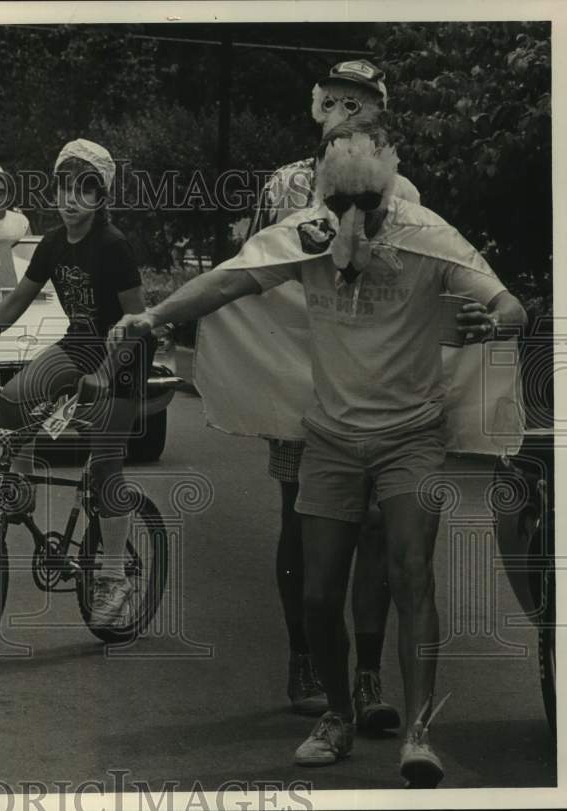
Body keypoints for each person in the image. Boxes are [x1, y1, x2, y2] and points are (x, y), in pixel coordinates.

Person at [114, 126, 526, 787]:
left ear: (388, 193)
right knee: (316, 592)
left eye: (368, 203)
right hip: (331, 436)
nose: (354, 218)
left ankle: (418, 732)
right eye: (341, 204)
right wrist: (153, 316)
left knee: (412, 572)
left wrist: (496, 320)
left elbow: (506, 302)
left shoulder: (426, 232)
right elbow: (227, 281)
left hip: (412, 435)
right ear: (324, 197)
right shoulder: (306, 234)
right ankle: (337, 713)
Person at [246, 59, 421, 726]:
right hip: (299, 376)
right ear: (317, 105)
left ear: (381, 111)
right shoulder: (286, 184)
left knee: (376, 523)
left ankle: (371, 677)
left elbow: (419, 272)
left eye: (363, 101)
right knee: (301, 519)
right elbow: (255, 269)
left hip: (376, 379)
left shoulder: (401, 188)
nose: (348, 111)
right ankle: (307, 659)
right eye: (337, 99)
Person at [0, 138, 154, 629]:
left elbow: (139, 320)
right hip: (79, 343)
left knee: (104, 464)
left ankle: (114, 574)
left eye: (85, 189)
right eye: (64, 186)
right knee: (14, 397)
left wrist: (105, 374)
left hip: (124, 354)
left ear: (101, 198)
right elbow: (16, 302)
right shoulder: (54, 243)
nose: (71, 197)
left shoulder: (113, 245)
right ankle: (20, 485)